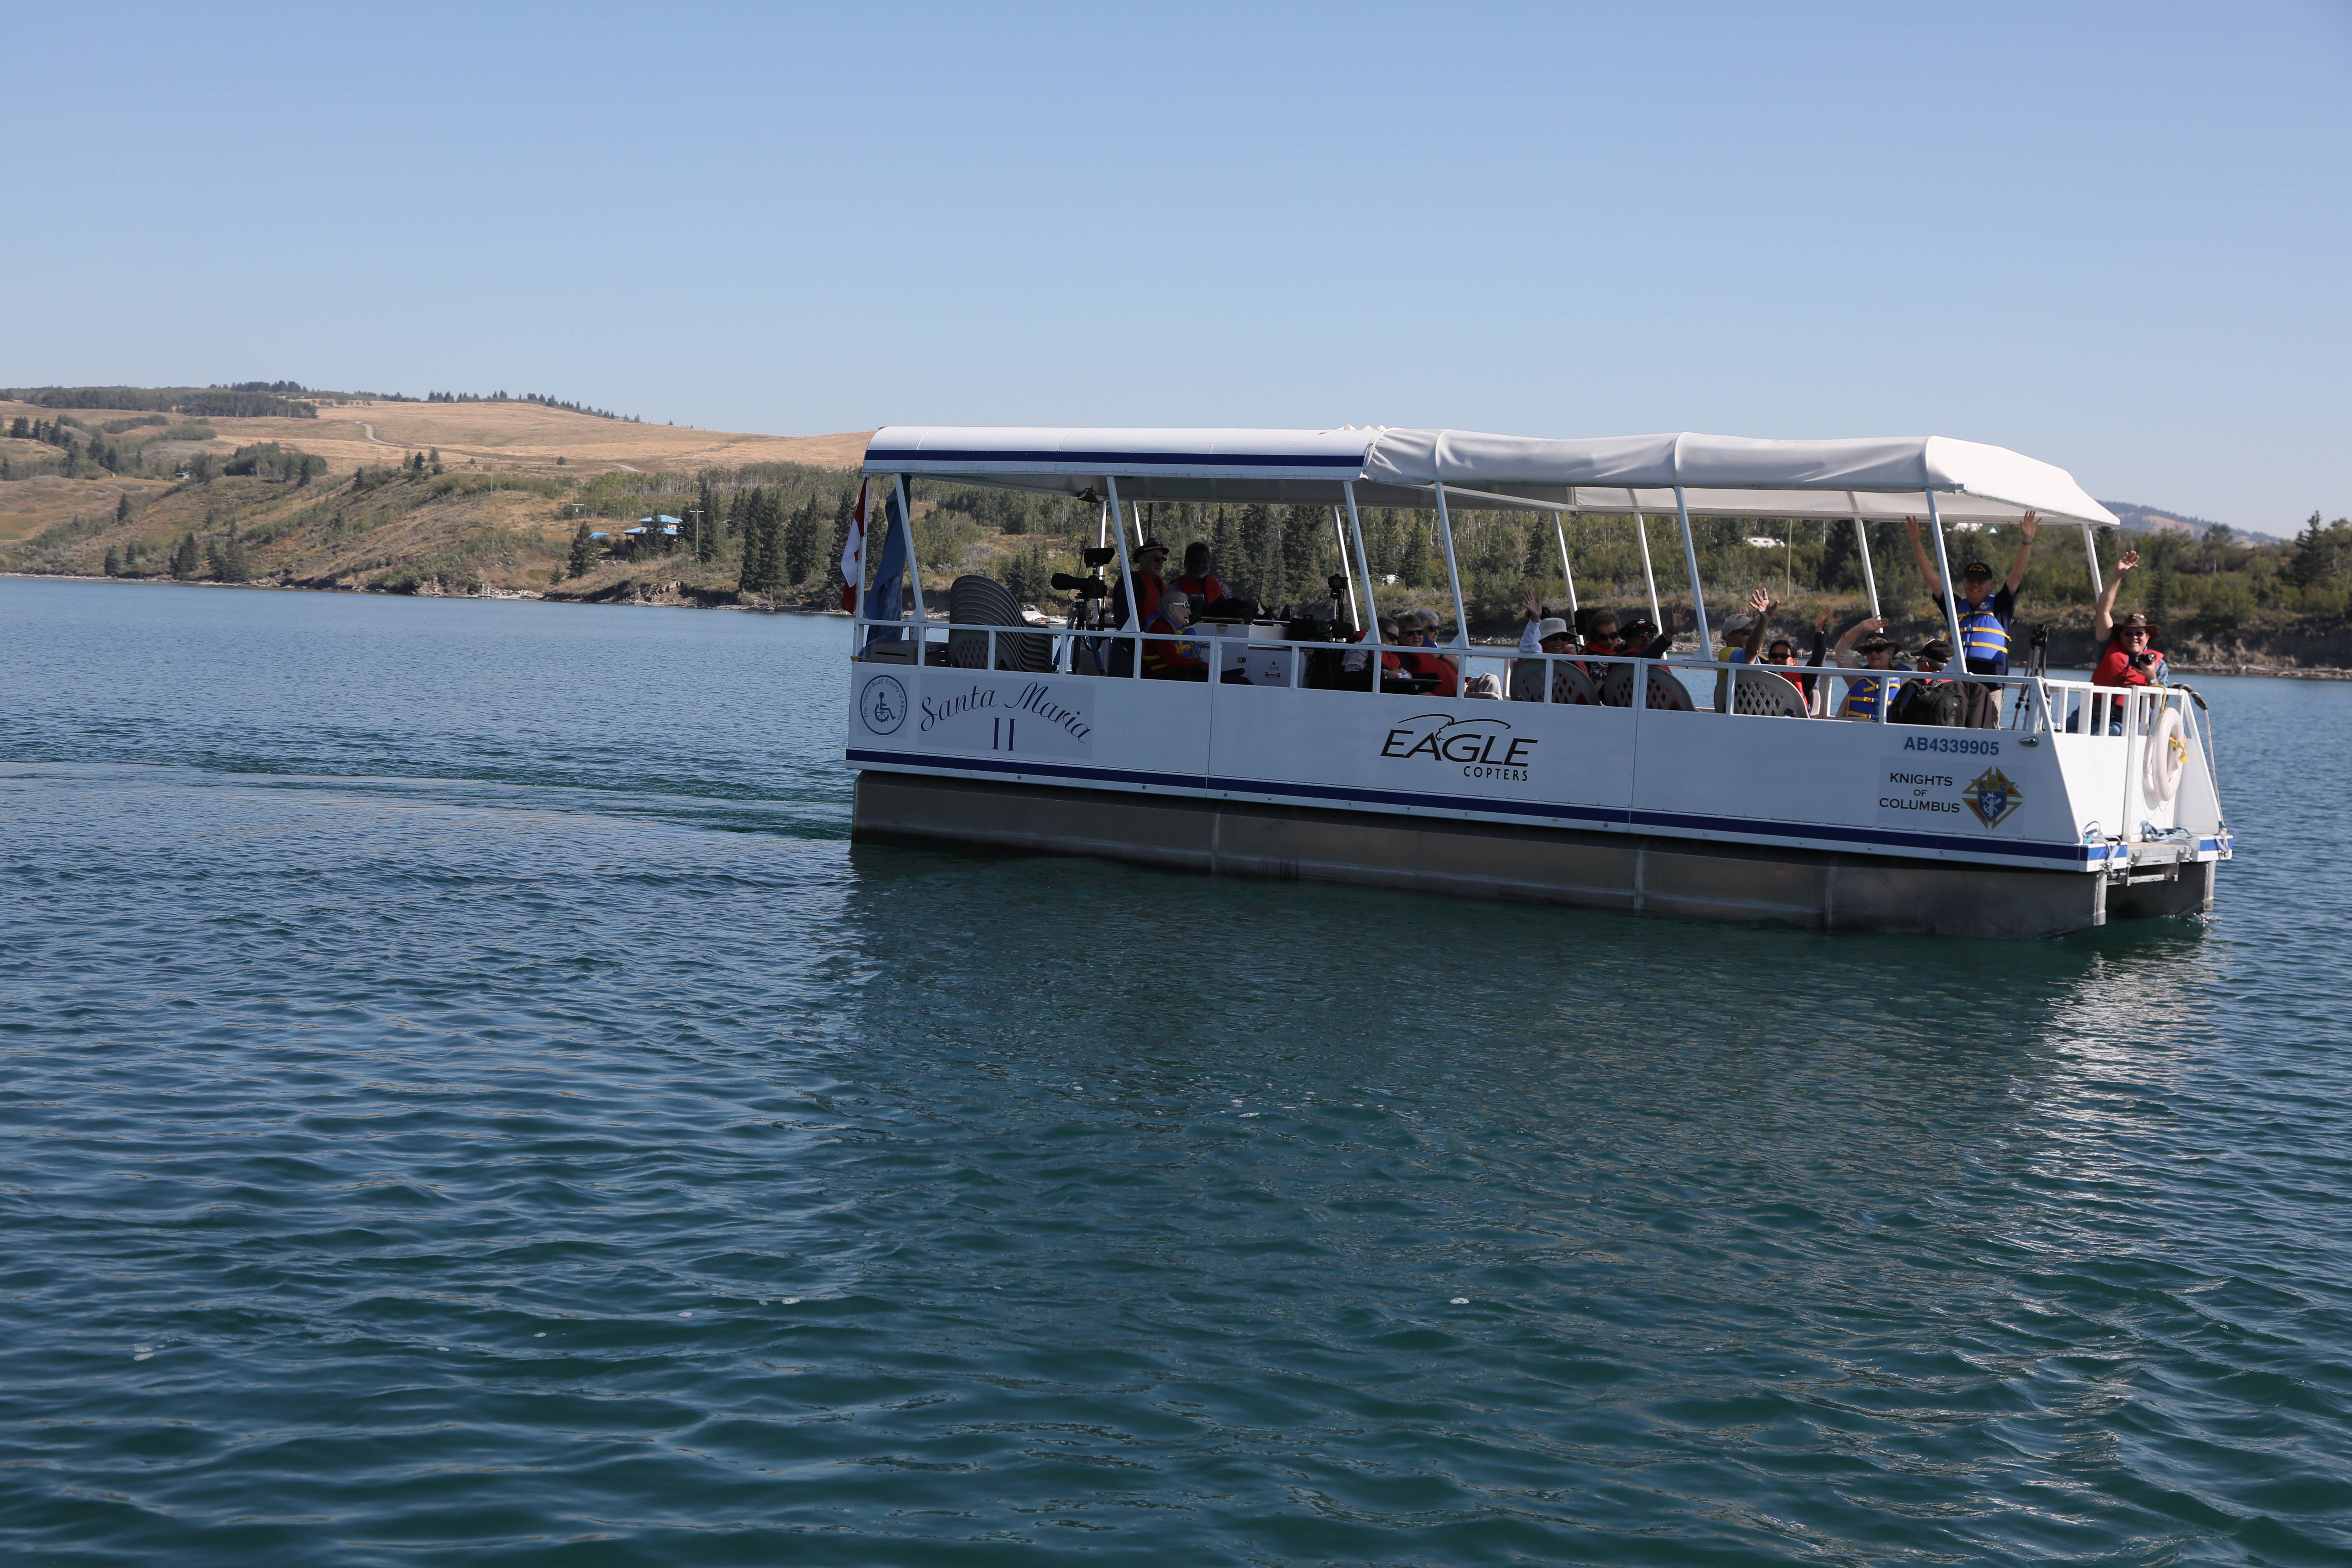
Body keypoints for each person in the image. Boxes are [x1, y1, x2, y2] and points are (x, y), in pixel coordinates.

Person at [1906, 509, 2040, 726]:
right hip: (1956, 682)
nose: (1975, 585)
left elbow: (2017, 575)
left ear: (1991, 585)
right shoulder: (1954, 606)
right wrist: (1916, 543)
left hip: (1991, 685)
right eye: (1971, 580)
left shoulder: (2002, 606)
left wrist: (2027, 541)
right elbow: (1932, 578)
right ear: (1964, 584)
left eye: (1981, 581)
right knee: (1951, 727)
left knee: (1988, 731)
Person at [2091, 549, 2169, 690]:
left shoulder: (2158, 665)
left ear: (2147, 637)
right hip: (2097, 711)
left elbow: (2157, 706)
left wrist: (2151, 678)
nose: (2134, 637)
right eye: (2129, 633)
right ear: (2121, 636)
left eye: (2139, 633)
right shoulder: (2107, 647)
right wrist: (2118, 575)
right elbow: (2103, 611)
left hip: (2135, 712)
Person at [1830, 616, 1899, 720]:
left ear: (1891, 654)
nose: (1874, 654)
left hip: (1888, 734)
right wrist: (1861, 628)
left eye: (1880, 649)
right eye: (1869, 650)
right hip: (1855, 732)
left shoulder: (1904, 678)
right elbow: (1841, 652)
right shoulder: (1856, 676)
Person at [1510, 616, 1587, 702]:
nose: (1559, 641)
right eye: (1553, 637)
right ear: (1541, 641)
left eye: (1564, 638)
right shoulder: (1536, 660)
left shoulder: (1568, 660)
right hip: (1547, 707)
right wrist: (1534, 621)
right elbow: (1528, 646)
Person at [1891, 638, 1964, 725]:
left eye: (1919, 661)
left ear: (1926, 666)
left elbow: (1892, 718)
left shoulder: (1916, 688)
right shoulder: (1968, 687)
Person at [1141, 589, 1209, 680]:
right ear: (1172, 608)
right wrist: (1205, 666)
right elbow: (1172, 660)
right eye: (1186, 606)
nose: (1190, 612)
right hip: (1166, 679)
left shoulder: (1167, 627)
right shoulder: (1160, 628)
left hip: (1175, 675)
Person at [1396, 609, 1460, 698]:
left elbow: (1461, 668)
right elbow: (1411, 687)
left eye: (1419, 633)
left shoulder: (1431, 651)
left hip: (1454, 698)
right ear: (1399, 636)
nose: (1416, 636)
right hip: (1438, 703)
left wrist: (1441, 654)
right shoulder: (1401, 656)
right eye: (1411, 633)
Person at [1172, 542, 1226, 607]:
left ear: (1209, 564)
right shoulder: (1174, 590)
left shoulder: (1223, 590)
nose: (1200, 565)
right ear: (1185, 563)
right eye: (1196, 561)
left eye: (1204, 562)